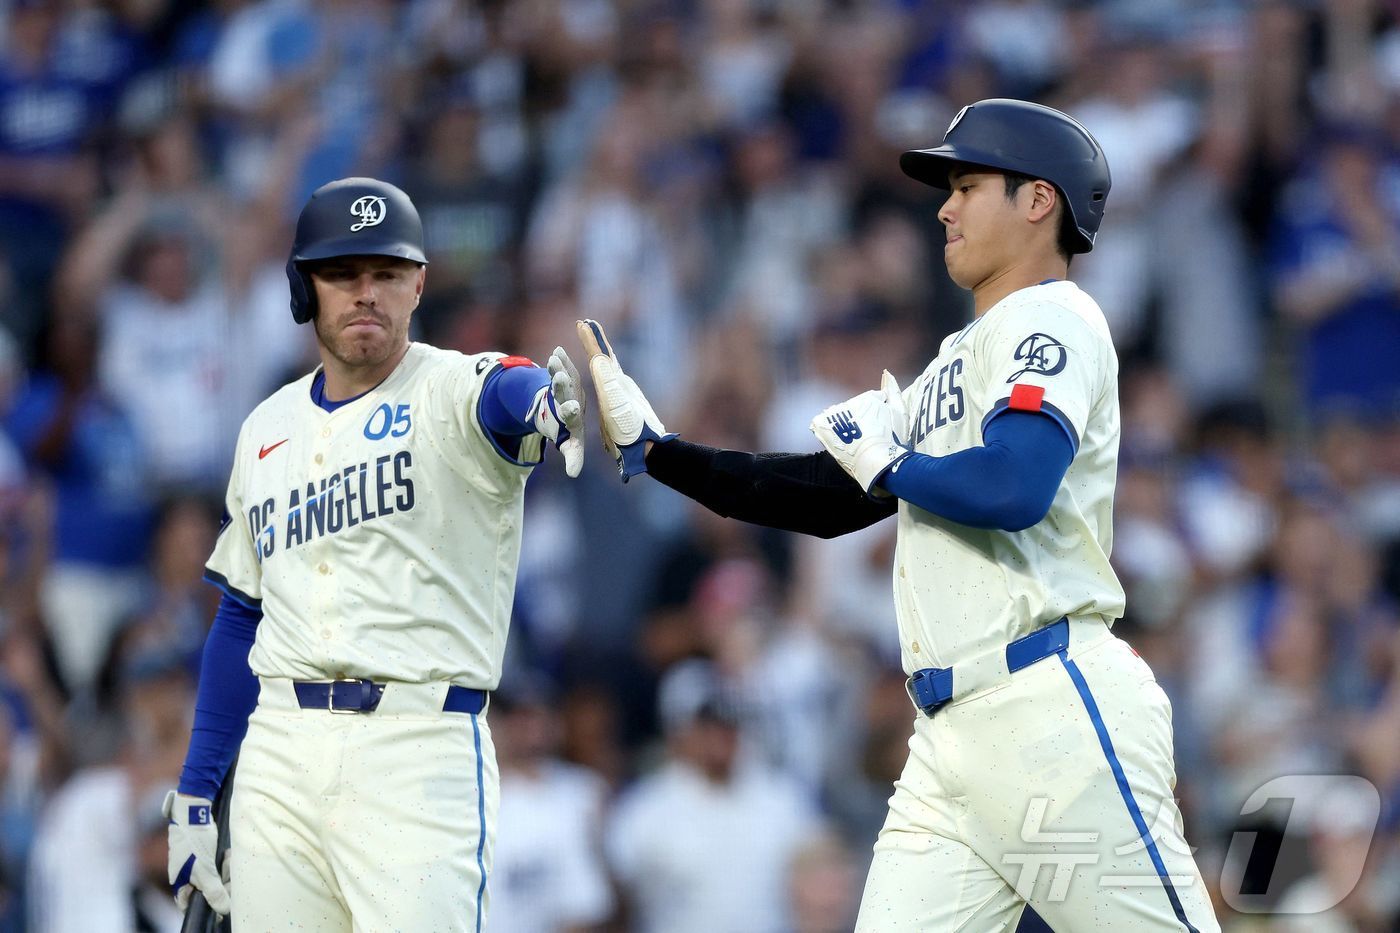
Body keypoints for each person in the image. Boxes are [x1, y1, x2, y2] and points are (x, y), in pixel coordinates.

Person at [578, 99, 1221, 931]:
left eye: (969, 183)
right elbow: (827, 498)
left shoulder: (1055, 315)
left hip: (1048, 707)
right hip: (947, 739)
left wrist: (892, 461)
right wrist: (665, 453)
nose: (945, 207)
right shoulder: (955, 359)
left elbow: (1014, 485)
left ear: (1039, 201)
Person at [163, 177, 586, 929]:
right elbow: (238, 619)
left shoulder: (450, 387)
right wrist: (198, 790)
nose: (367, 293)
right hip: (280, 755)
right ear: (306, 287)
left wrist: (543, 405)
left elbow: (507, 392)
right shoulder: (265, 426)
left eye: (387, 274)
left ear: (418, 283)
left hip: (416, 749)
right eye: (343, 273)